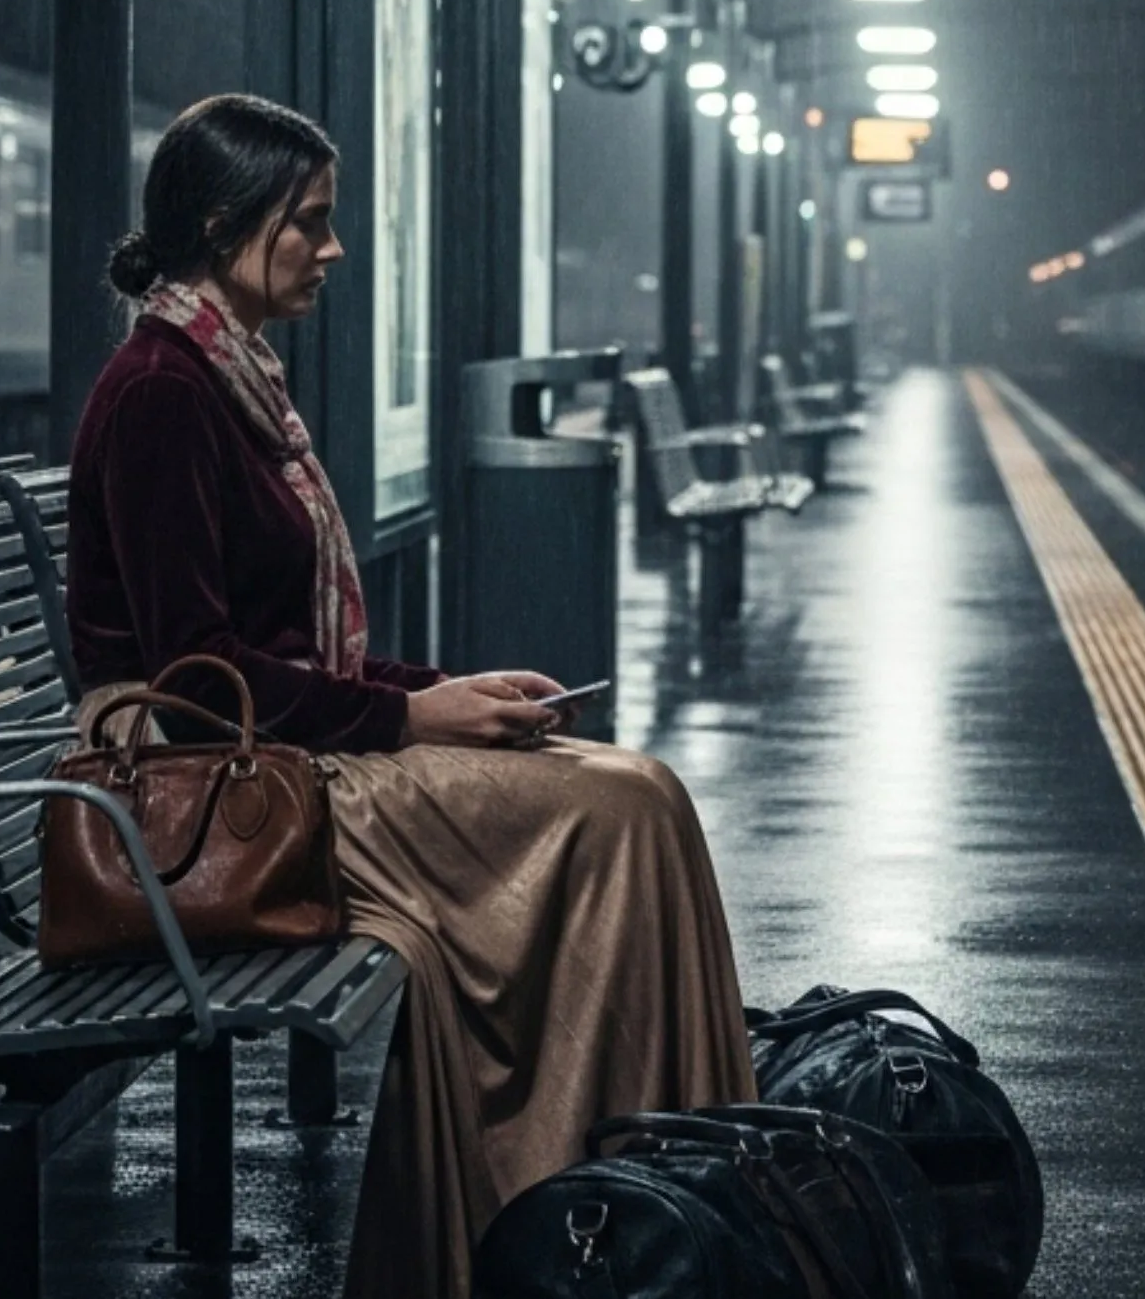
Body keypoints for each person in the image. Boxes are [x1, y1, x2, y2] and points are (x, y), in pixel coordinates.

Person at [65, 93, 757, 1298]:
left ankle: (652, 1199)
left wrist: (442, 687)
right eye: (312, 225)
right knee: (624, 811)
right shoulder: (165, 395)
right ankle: (623, 1207)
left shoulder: (225, 377)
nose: (333, 250)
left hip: (273, 755)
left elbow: (279, 655)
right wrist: (411, 717)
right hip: (217, 793)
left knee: (638, 792)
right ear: (230, 227)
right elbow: (193, 677)